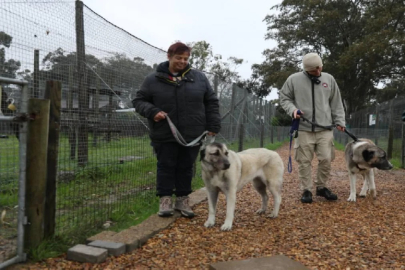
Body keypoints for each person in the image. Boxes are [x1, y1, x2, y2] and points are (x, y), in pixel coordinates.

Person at [132, 42, 221, 217]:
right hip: (164, 132)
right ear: (169, 56)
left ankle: (182, 199)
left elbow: (211, 102)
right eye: (178, 58)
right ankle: (165, 200)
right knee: (166, 165)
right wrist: (152, 111)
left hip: (193, 133)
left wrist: (213, 125)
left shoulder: (199, 78)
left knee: (186, 166)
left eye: (186, 58)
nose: (182, 61)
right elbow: (139, 101)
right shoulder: (153, 79)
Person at [280, 53, 346, 203]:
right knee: (304, 161)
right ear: (305, 69)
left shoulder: (329, 79)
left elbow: (336, 102)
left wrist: (340, 121)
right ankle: (307, 190)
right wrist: (292, 110)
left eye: (319, 68)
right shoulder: (293, 79)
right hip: (303, 128)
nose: (317, 72)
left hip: (325, 128)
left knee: (326, 159)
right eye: (313, 71)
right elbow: (284, 97)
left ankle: (322, 187)